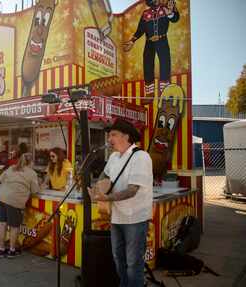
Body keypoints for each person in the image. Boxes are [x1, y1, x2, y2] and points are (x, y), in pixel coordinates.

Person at [88, 119, 153, 287]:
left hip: (135, 218)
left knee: (133, 263)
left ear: (126, 136)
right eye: (109, 135)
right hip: (117, 217)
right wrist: (97, 188)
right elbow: (105, 176)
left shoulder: (141, 156)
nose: (109, 139)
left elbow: (132, 190)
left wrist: (106, 198)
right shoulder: (114, 157)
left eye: (113, 135)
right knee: (118, 258)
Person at [123, 0, 179, 104]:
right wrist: (132, 41)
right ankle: (149, 94)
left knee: (165, 64)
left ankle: (165, 93)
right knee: (147, 65)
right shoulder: (145, 14)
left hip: (162, 40)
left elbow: (175, 19)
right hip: (149, 42)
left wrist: (170, 13)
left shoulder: (166, 9)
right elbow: (140, 30)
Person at [0, 153, 40, 258]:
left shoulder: (12, 168)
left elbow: (1, 178)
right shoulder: (32, 173)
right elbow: (35, 191)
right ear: (31, 162)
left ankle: (1, 250)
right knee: (14, 226)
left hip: (0, 197)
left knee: (2, 224)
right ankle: (12, 251)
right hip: (14, 200)